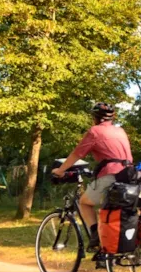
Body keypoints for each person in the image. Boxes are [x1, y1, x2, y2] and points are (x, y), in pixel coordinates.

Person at [51, 102, 133, 251]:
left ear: (94, 117)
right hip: (129, 175)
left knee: (84, 203)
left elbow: (77, 153)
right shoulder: (120, 131)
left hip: (110, 174)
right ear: (111, 118)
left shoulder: (94, 131)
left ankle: (95, 237)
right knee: (114, 209)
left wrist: (61, 170)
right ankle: (109, 247)